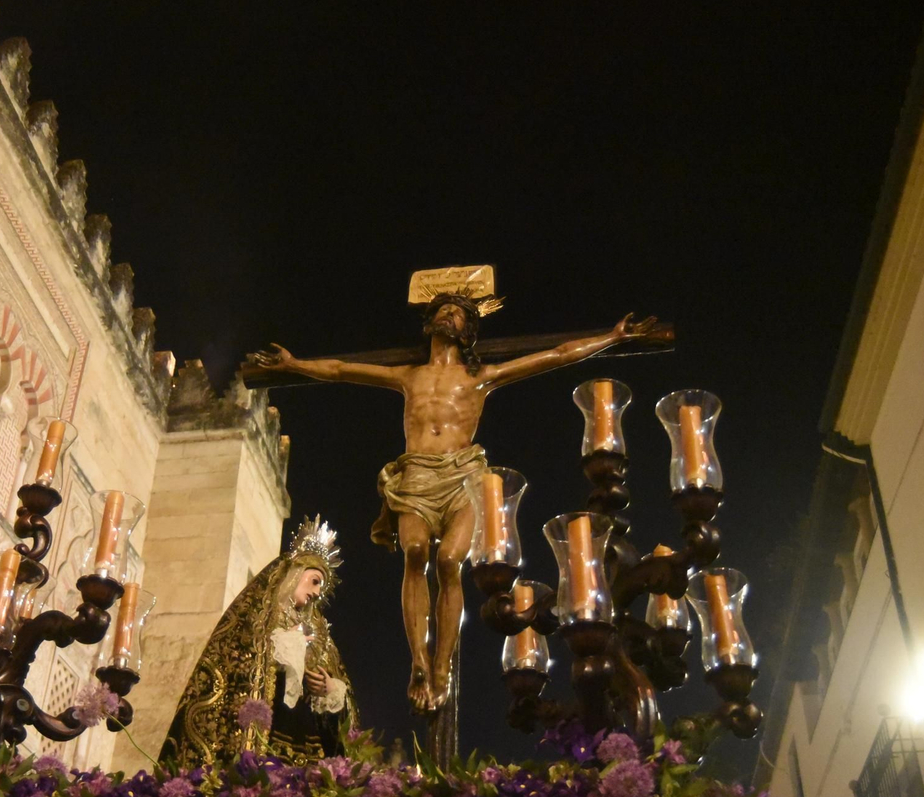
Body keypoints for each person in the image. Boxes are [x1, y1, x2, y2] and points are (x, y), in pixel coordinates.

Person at [250, 293, 665, 713]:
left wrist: (611, 338)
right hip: (416, 475)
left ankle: (442, 665)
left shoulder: (480, 376)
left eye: (461, 315)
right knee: (414, 553)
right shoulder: (409, 376)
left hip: (463, 474)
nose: (451, 316)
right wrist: (294, 365)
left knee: (450, 560)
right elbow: (340, 370)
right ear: (430, 322)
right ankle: (418, 662)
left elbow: (556, 356)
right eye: (445, 311)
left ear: (469, 332)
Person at [158, 517, 354, 769]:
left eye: (321, 587)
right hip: (264, 738)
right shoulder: (257, 617)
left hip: (306, 747)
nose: (317, 592)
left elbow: (340, 706)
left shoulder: (320, 635)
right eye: (314, 580)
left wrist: (330, 688)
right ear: (295, 574)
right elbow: (236, 663)